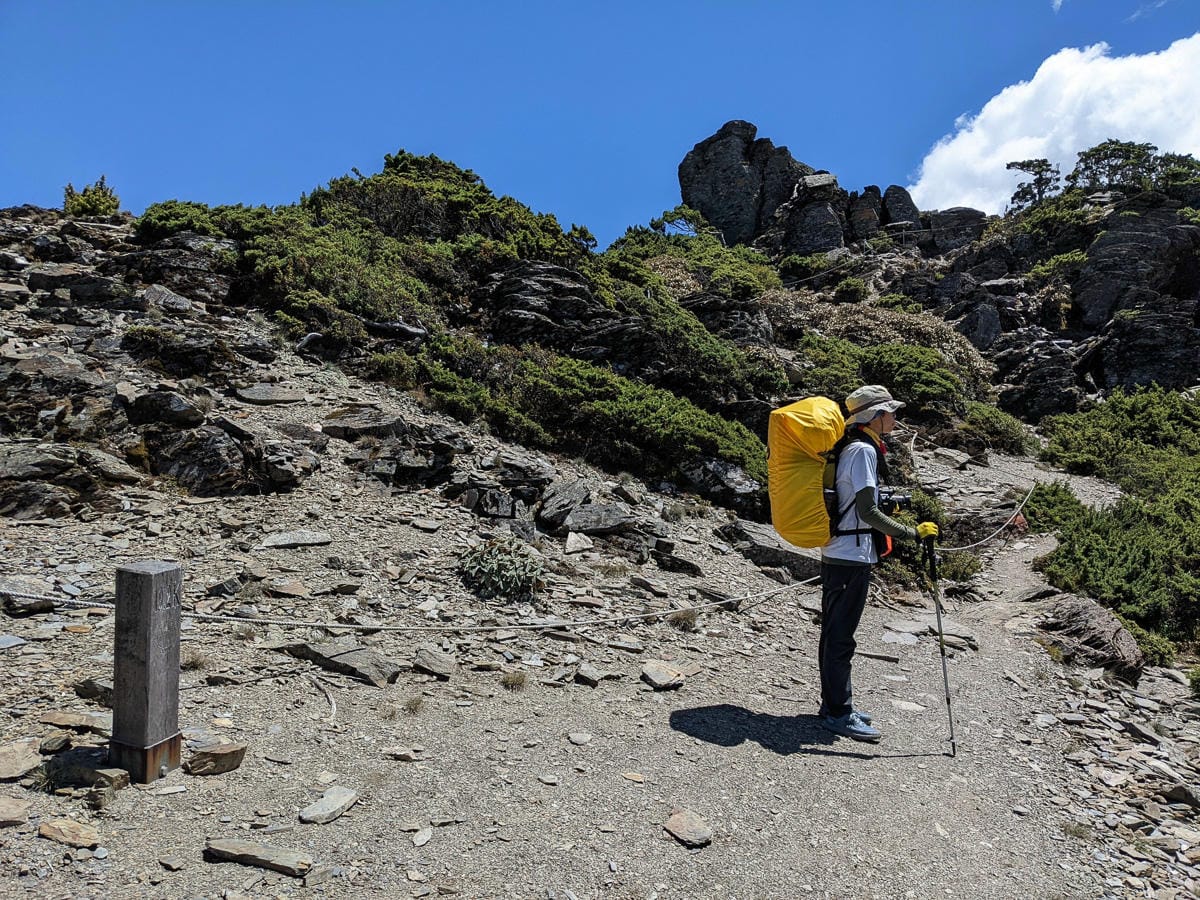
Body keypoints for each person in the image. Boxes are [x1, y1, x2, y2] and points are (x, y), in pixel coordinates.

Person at [818, 385, 938, 742]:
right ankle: (839, 712)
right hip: (849, 555)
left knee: (834, 634)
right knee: (840, 637)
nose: (895, 417)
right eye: (891, 412)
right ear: (875, 417)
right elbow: (867, 512)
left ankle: (835, 704)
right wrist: (912, 533)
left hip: (842, 551)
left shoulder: (855, 447)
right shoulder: (862, 452)